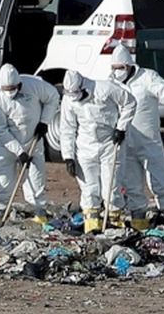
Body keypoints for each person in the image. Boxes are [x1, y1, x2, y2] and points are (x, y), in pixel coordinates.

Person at [108, 45, 164, 229]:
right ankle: (139, 218)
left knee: (159, 178)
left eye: (121, 67)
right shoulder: (111, 84)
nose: (117, 72)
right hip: (124, 141)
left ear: (130, 65)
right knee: (131, 183)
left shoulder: (147, 77)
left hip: (149, 141)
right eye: (114, 68)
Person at [57, 68, 136, 233]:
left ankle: (115, 219)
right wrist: (68, 156)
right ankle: (92, 222)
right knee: (89, 188)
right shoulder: (68, 100)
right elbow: (67, 128)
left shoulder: (106, 89)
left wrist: (121, 128)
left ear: (84, 86)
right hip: (85, 147)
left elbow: (130, 102)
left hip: (110, 143)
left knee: (111, 186)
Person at [0, 63, 59, 224]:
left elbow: (53, 97)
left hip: (33, 140)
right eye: (7, 89)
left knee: (36, 179)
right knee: (3, 181)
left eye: (13, 88)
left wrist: (44, 122)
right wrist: (19, 152)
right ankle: (0, 213)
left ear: (19, 84)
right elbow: (1, 131)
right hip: (6, 145)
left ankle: (39, 213)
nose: (10, 92)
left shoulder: (34, 86)